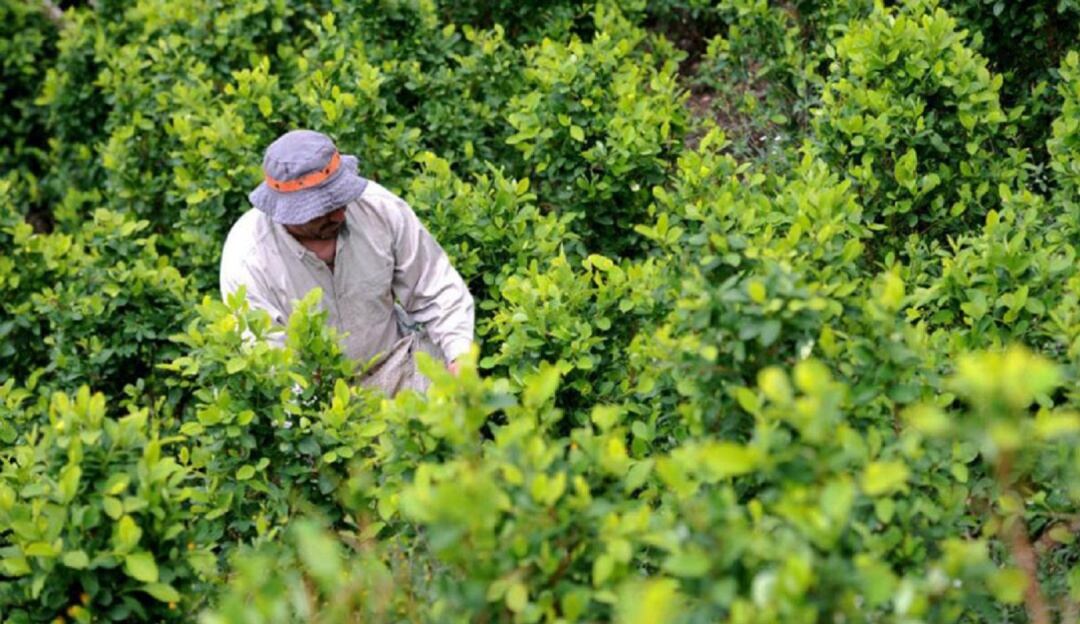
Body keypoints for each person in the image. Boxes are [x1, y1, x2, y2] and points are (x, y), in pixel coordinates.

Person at [219, 129, 474, 394]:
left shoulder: (380, 208)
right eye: (324, 211)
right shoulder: (248, 257)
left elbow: (434, 286)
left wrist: (460, 356)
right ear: (286, 213)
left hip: (396, 365)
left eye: (342, 200)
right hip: (314, 395)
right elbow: (269, 361)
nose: (340, 215)